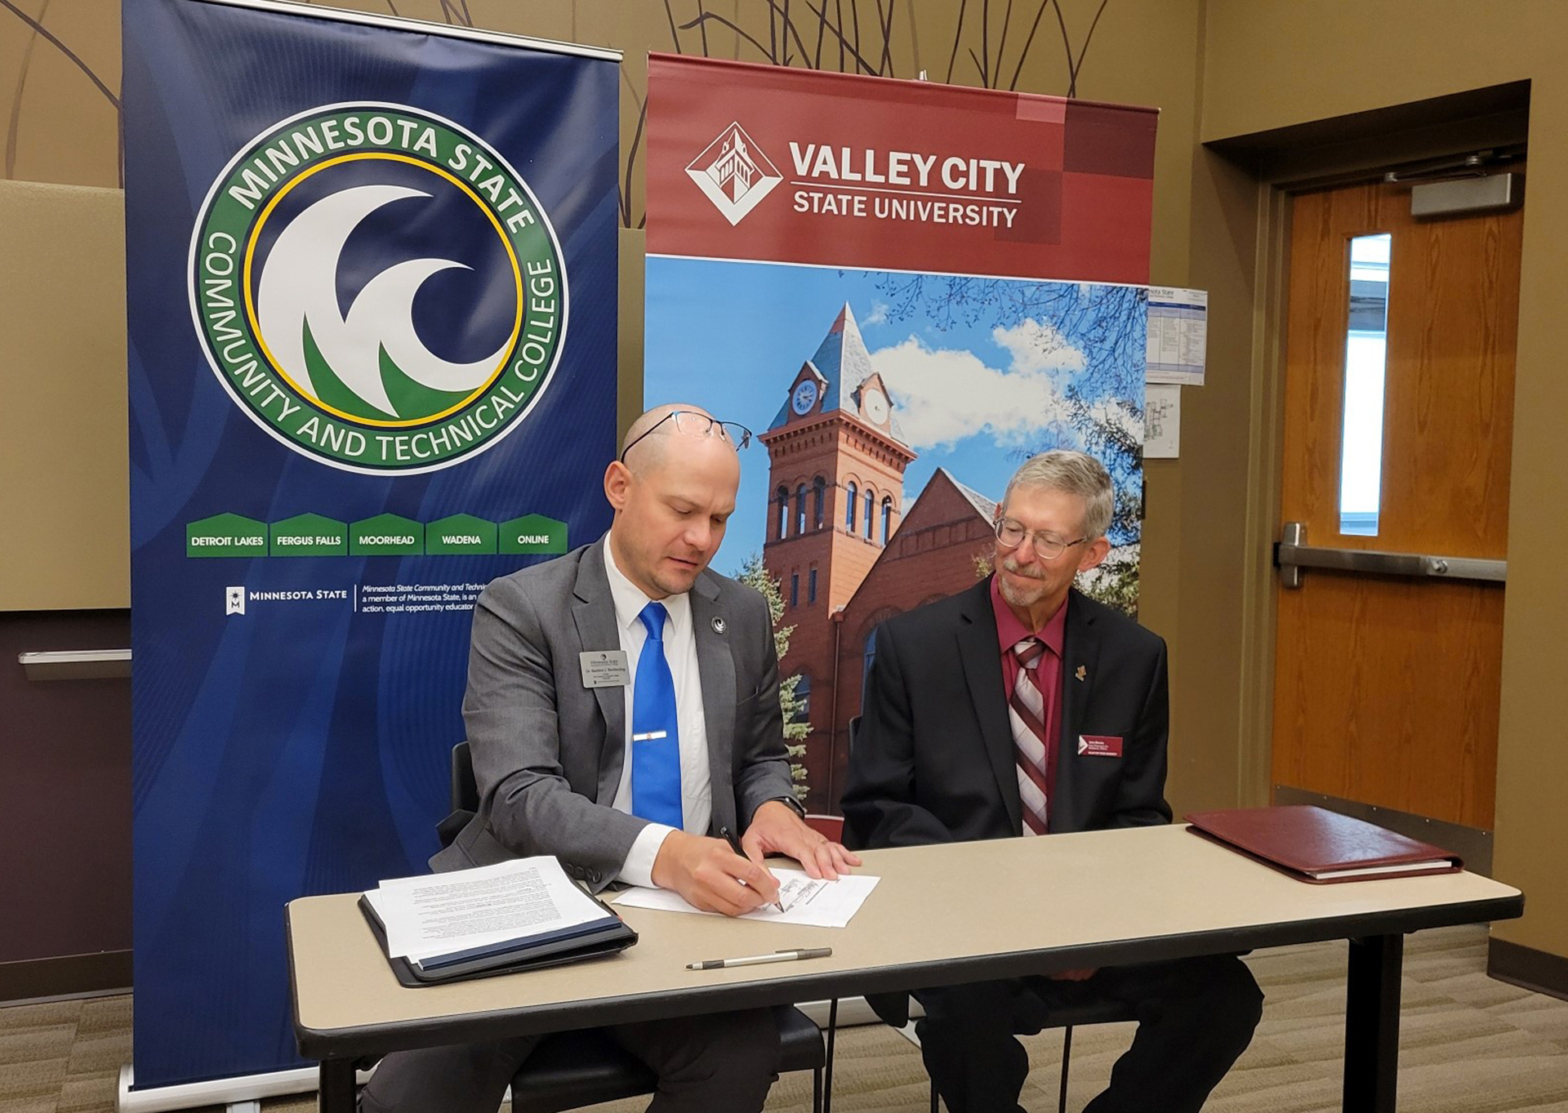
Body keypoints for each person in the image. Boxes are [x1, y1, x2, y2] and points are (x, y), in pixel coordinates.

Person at [361, 403, 860, 1113]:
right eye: (683, 509)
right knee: (409, 1098)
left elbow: (760, 756)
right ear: (620, 486)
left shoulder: (742, 615)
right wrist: (667, 853)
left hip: (687, 917)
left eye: (720, 519)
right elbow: (520, 793)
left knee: (737, 1056)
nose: (701, 539)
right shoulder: (524, 607)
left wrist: (774, 804)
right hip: (530, 899)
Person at [840, 449, 1261, 1113]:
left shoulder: (1135, 657)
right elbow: (879, 809)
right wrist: (1008, 912)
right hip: (968, 924)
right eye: (1011, 528)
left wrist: (1087, 922)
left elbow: (1139, 816)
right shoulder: (912, 647)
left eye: (1047, 538)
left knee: (1226, 995)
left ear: (1092, 553)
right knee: (962, 1019)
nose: (1019, 553)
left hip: (1090, 919)